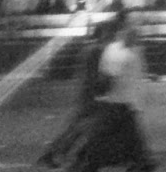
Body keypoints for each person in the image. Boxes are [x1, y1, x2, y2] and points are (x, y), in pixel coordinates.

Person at [72, 12, 155, 172]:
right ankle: (139, 162)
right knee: (114, 136)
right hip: (118, 102)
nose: (136, 36)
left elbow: (127, 74)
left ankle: (90, 162)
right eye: (133, 32)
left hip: (122, 102)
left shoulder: (129, 51)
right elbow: (109, 77)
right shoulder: (118, 51)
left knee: (112, 136)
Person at [38, 17, 117, 168]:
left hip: (87, 94)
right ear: (103, 34)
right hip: (92, 96)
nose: (112, 37)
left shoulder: (91, 49)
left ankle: (60, 155)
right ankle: (63, 155)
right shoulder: (97, 51)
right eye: (110, 34)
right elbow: (98, 75)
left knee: (79, 128)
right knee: (80, 129)